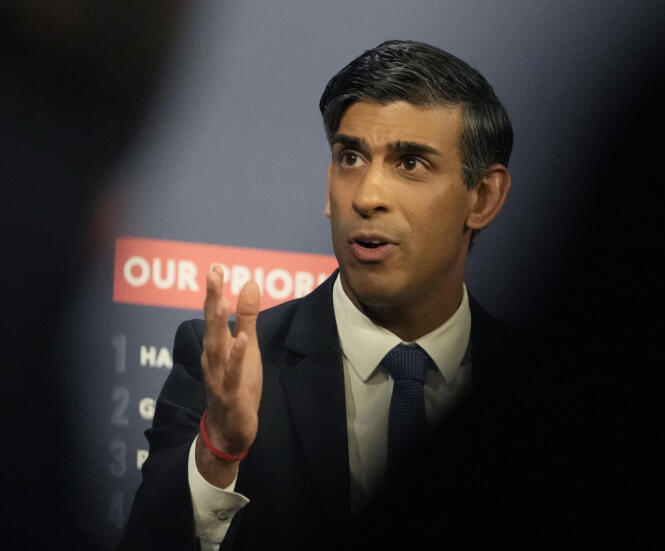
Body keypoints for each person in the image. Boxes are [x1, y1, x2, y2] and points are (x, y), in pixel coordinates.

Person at [119, 40, 559, 550]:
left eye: (411, 163)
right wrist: (218, 453)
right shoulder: (230, 366)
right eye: (350, 158)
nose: (366, 196)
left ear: (482, 197)